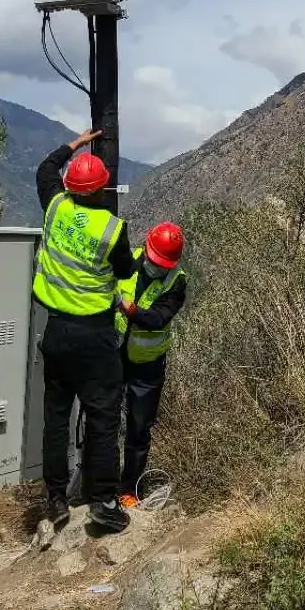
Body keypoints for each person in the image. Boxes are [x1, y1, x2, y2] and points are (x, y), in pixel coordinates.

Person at [33, 127, 139, 533]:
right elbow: (126, 271)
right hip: (95, 337)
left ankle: (56, 500)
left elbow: (45, 168)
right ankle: (104, 502)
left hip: (57, 333)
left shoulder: (55, 207)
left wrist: (73, 145)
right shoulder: (111, 229)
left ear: (70, 186)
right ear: (101, 190)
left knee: (56, 419)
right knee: (102, 419)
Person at [114, 221, 188, 509]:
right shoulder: (130, 260)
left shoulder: (176, 282)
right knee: (104, 419)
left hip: (148, 366)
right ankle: (99, 483)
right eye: (154, 261)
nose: (156, 268)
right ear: (146, 248)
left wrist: (130, 310)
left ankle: (129, 488)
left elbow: (159, 318)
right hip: (115, 353)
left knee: (138, 428)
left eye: (163, 265)